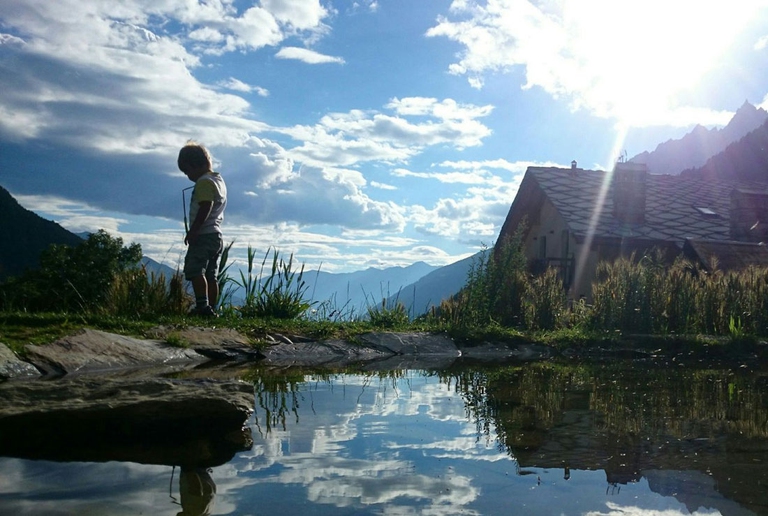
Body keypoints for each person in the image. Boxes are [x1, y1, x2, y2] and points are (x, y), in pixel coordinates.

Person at [178, 141, 227, 317]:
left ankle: (202, 307)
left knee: (195, 270)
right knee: (211, 275)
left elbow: (206, 205)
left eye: (187, 171)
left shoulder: (204, 182)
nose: (188, 176)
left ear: (195, 165)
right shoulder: (218, 180)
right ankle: (212, 308)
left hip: (204, 234)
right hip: (216, 235)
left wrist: (194, 230)